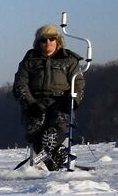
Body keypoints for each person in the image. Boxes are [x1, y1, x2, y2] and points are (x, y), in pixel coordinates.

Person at [12, 23, 84, 171]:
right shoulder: (29, 62)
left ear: (58, 41)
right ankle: (51, 163)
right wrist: (31, 104)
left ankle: (52, 157)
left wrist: (73, 100)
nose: (48, 43)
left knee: (56, 130)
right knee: (35, 133)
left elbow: (78, 83)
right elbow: (20, 85)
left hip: (61, 103)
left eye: (51, 39)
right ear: (38, 42)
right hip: (35, 104)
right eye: (43, 40)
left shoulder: (69, 60)